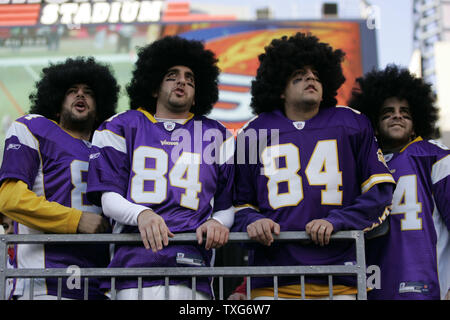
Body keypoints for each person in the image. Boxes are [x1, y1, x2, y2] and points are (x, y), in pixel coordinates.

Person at [231, 32, 396, 300]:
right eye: (300, 73)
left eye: (317, 74)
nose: (311, 78)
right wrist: (254, 220)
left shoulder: (352, 123)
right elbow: (236, 203)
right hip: (272, 281)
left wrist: (337, 221)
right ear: (280, 88)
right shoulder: (254, 130)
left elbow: (380, 194)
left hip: (340, 279)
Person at [86, 36, 235, 300]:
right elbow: (108, 199)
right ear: (154, 87)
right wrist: (142, 215)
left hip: (193, 271)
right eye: (172, 75)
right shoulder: (120, 126)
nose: (182, 81)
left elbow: (227, 205)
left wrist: (217, 222)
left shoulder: (217, 135)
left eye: (190, 78)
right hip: (133, 271)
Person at [0, 57, 120, 300]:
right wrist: (76, 220)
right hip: (44, 284)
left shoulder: (109, 147)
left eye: (88, 92)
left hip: (100, 284)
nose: (80, 95)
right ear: (56, 102)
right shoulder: (34, 128)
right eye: (71, 91)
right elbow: (10, 199)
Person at [348, 65, 450, 300]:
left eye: (405, 112)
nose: (397, 115)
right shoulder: (363, 165)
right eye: (387, 112)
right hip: (376, 283)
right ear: (373, 123)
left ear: (416, 123)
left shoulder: (435, 156)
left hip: (427, 285)